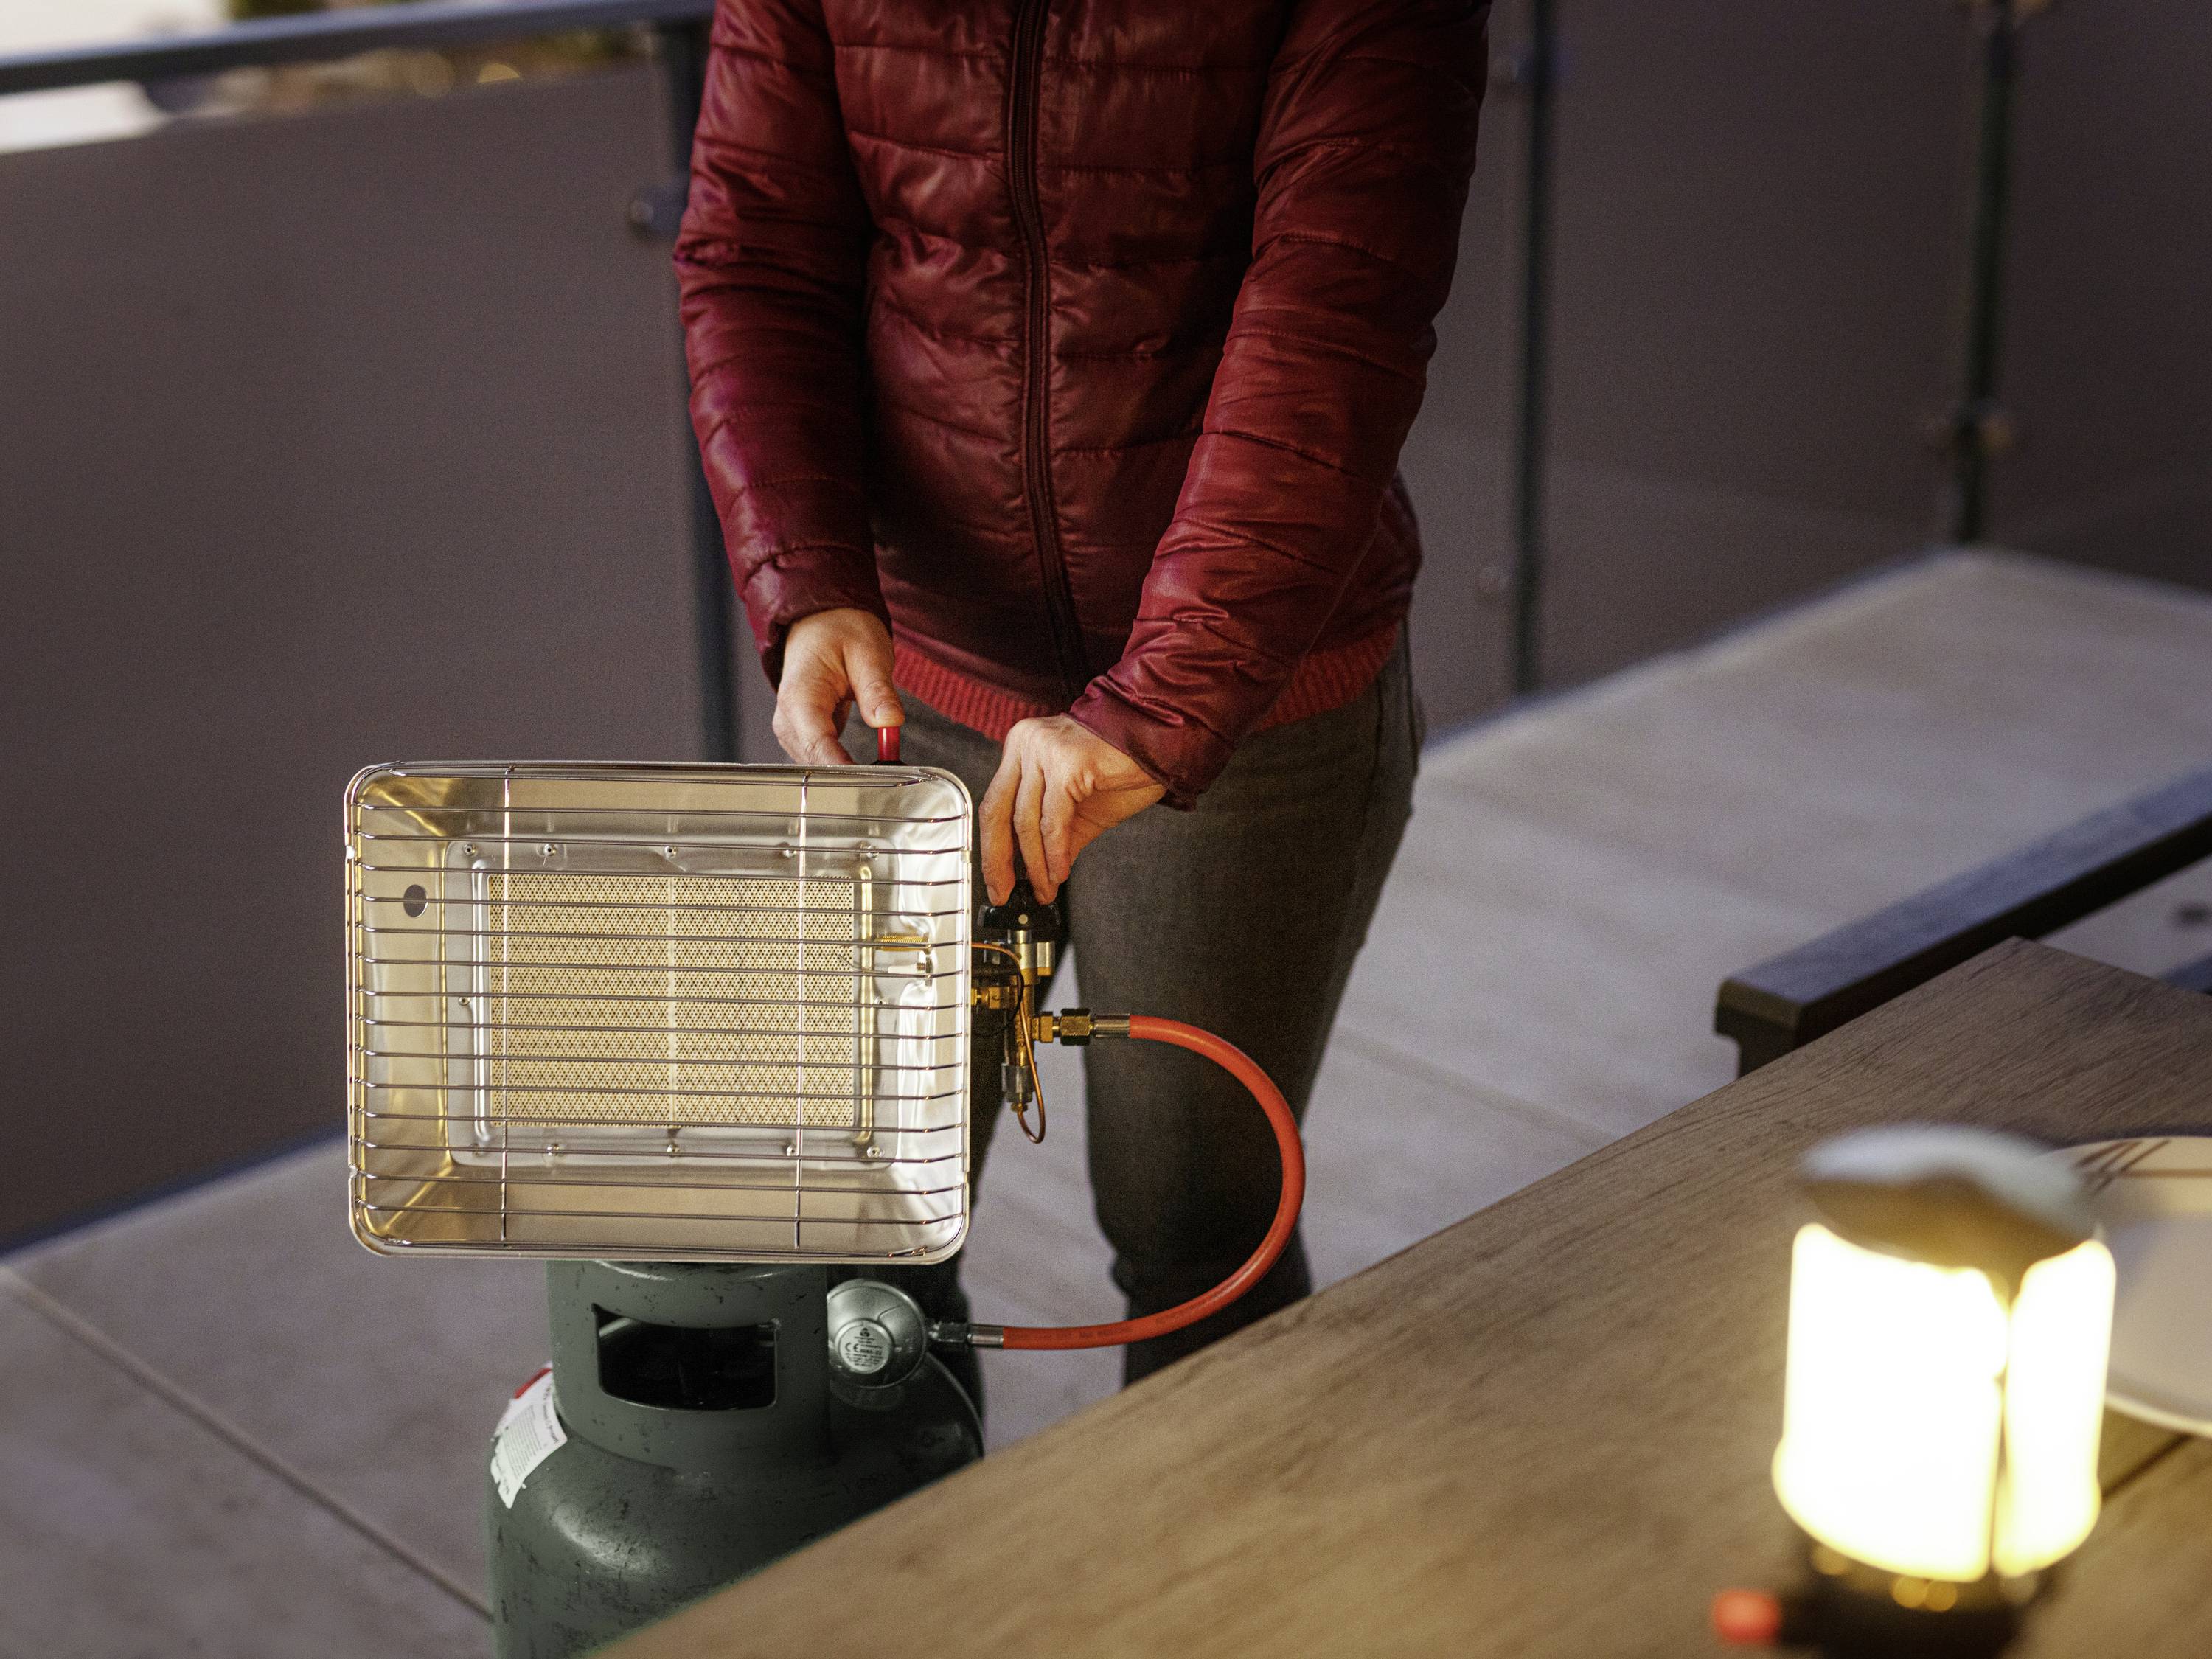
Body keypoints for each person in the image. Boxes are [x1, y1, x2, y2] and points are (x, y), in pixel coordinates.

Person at [675, 0, 1488, 1384]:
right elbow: (756, 253)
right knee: (860, 1225)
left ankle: (1194, 1593)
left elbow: (1332, 313)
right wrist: (806, 575)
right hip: (913, 678)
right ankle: (908, 1590)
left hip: (1242, 707)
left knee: (1195, 1236)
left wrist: (1161, 704)